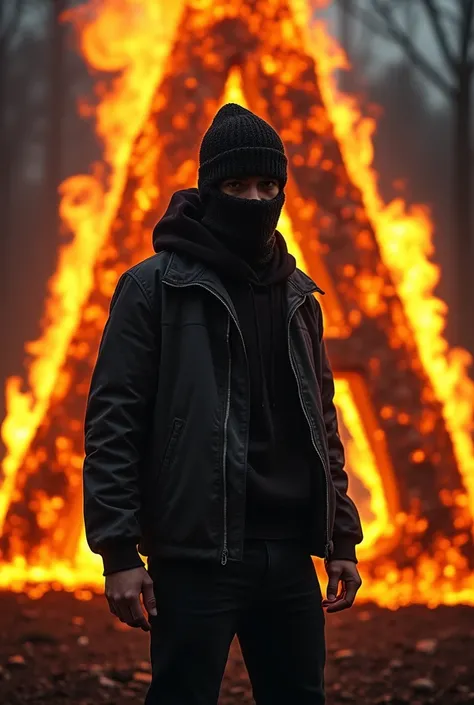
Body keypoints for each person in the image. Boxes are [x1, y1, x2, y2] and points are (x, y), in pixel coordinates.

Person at [83, 103, 363, 705]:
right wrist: (117, 552)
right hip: (193, 559)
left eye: (269, 185)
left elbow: (324, 425)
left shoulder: (300, 296)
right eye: (237, 185)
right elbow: (114, 424)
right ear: (209, 190)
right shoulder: (152, 288)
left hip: (289, 559)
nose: (256, 199)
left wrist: (342, 539)